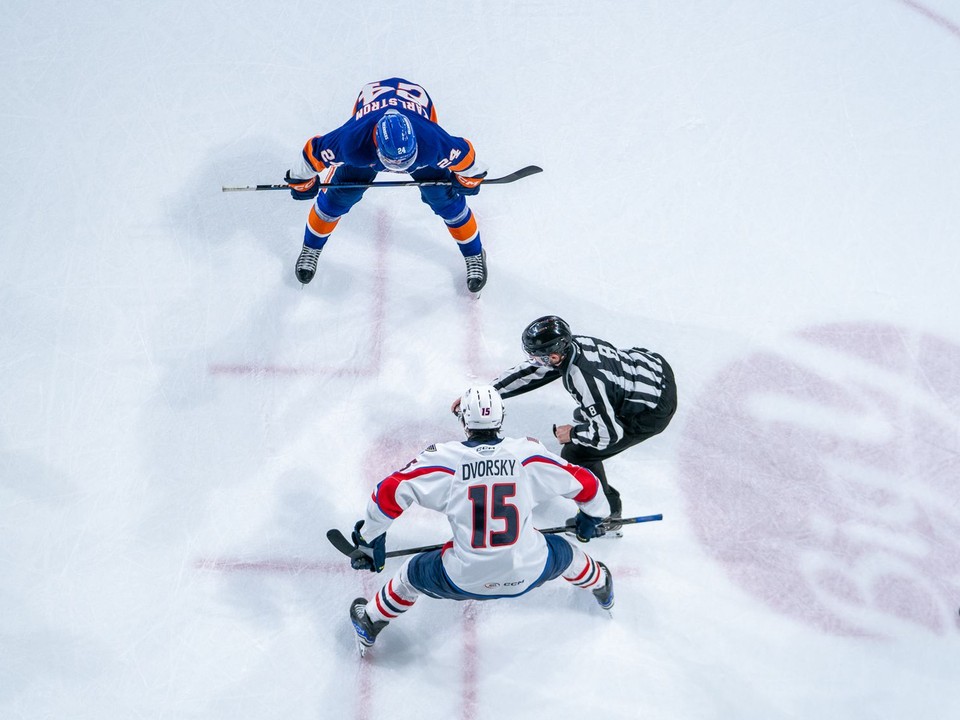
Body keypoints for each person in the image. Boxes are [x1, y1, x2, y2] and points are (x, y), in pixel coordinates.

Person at [347, 385, 614, 654]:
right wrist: (591, 518)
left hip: (462, 578)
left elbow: (389, 492)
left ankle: (370, 621)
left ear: (464, 420)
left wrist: (371, 539)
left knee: (409, 576)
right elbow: (587, 483)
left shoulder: (443, 459)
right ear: (501, 417)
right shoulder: (528, 453)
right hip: (530, 571)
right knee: (568, 554)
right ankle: (602, 586)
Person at [453, 316, 677, 527]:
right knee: (587, 416)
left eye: (538, 357)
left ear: (554, 356)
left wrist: (573, 434)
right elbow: (531, 372)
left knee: (576, 453)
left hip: (653, 410)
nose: (534, 361)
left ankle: (607, 513)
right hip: (651, 367)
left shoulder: (584, 380)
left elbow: (609, 435)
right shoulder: (572, 345)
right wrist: (485, 394)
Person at [284, 77, 489, 292]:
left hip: (416, 129)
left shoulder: (432, 141)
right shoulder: (352, 142)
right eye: (394, 163)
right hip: (369, 141)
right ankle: (311, 247)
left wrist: (469, 178)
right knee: (335, 200)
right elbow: (312, 153)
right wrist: (301, 180)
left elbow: (468, 158)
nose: (400, 168)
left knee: (447, 202)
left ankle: (474, 253)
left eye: (406, 161)